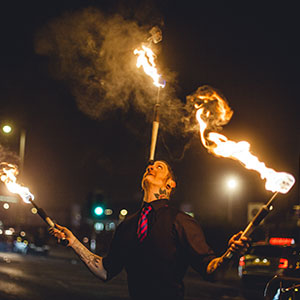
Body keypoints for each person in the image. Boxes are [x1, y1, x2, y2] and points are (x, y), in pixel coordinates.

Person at [50, 160, 249, 300]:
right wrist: (73, 242)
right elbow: (105, 270)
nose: (151, 167)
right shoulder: (127, 225)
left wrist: (231, 253)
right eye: (149, 167)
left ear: (170, 185)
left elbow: (211, 271)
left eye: (159, 167)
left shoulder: (182, 222)